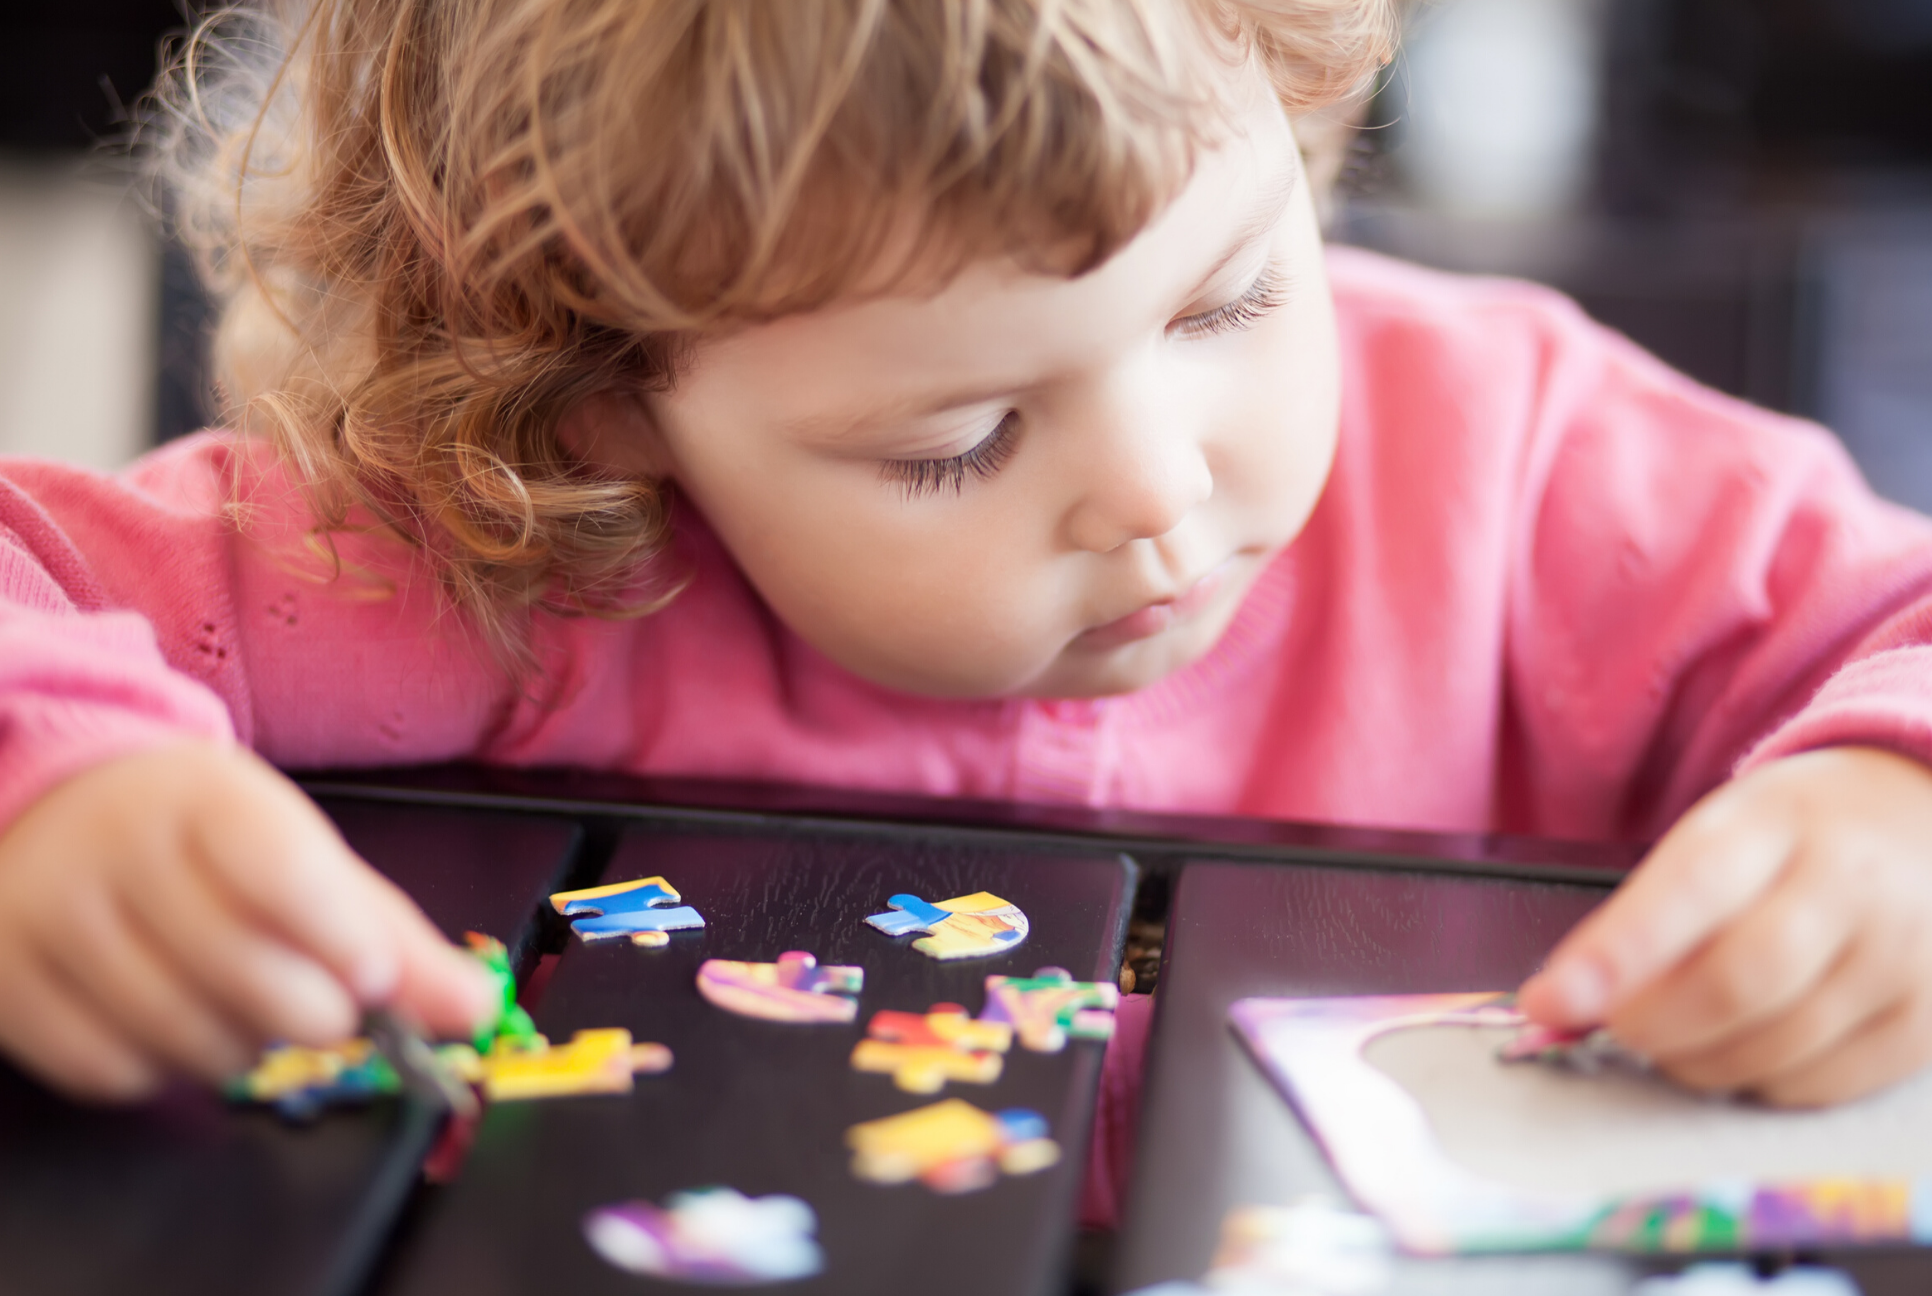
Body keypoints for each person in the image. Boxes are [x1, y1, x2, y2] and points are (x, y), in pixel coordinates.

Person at [5, 0, 1932, 1226]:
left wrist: (1891, 806)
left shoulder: (1525, 467)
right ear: (614, 404)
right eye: (961, 435)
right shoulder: (528, 548)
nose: (1161, 485)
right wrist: (62, 798)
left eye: (1232, 301)